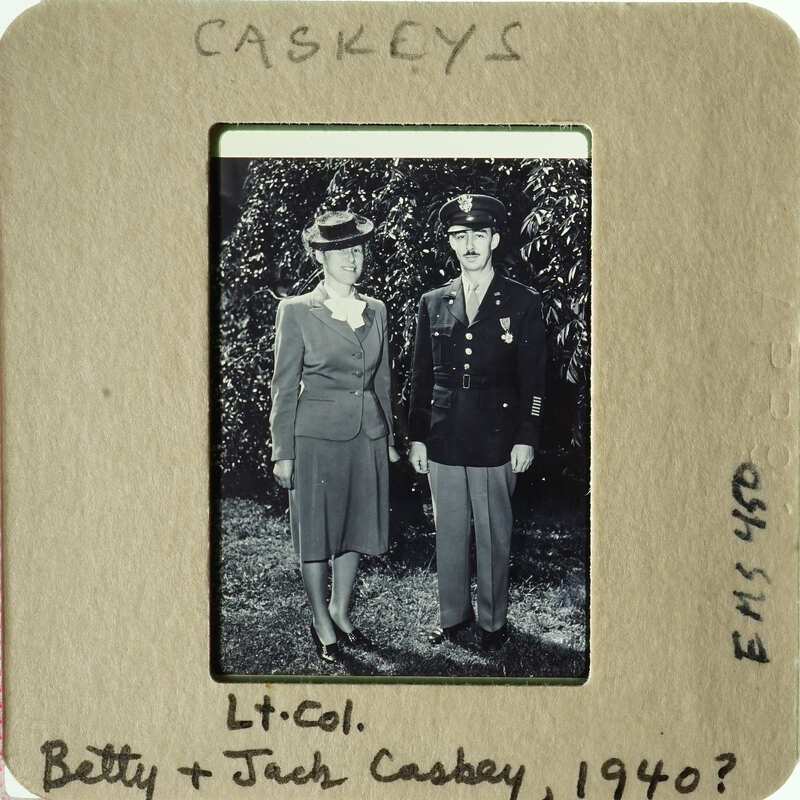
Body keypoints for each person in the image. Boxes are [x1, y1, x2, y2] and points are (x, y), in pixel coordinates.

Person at [408, 193, 547, 651]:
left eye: (479, 236)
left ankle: (492, 622)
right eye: (460, 236)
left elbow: (534, 379)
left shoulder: (522, 302)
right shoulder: (433, 302)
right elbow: (421, 375)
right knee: (449, 530)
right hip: (444, 435)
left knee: (492, 532)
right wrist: (417, 436)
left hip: (496, 437)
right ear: (451, 243)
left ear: (495, 240)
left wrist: (526, 436)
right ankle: (453, 618)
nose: (469, 245)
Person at [270, 210, 399, 664]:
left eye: (358, 249)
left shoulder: (377, 310)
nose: (352, 257)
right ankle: (320, 619)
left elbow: (383, 378)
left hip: (367, 434)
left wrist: (388, 435)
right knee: (317, 532)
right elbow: (284, 386)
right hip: (315, 438)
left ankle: (343, 612)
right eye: (341, 250)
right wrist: (282, 451)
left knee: (354, 527)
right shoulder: (296, 311)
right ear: (320, 256)